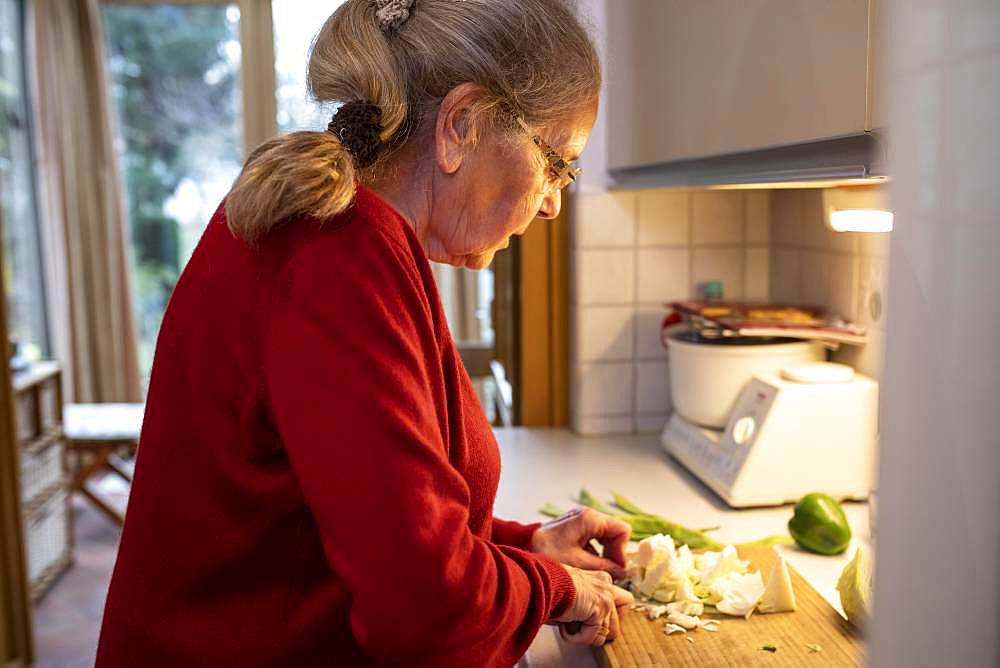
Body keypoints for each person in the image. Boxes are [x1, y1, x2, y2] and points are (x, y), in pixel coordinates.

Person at [96, 0, 634, 665]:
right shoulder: (339, 258)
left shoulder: (342, 234)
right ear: (462, 125)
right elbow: (427, 618)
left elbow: (366, 522)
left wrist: (524, 550)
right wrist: (550, 587)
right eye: (558, 164)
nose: (553, 202)